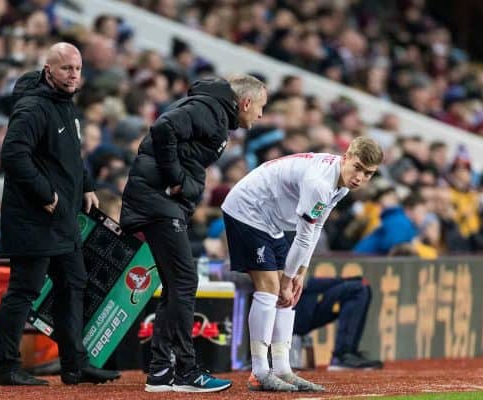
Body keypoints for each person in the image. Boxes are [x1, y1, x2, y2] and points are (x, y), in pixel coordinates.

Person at [120, 74, 267, 393]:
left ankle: (161, 371)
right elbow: (162, 128)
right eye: (259, 107)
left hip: (158, 202)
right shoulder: (210, 108)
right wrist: (175, 179)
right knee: (184, 282)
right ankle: (185, 371)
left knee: (177, 285)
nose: (260, 115)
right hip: (155, 202)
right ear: (244, 102)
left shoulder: (213, 110)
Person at [0, 42, 121, 386]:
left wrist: (87, 185)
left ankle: (75, 364)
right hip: (34, 217)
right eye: (66, 68)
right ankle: (6, 367)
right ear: (49, 70)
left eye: (78, 69)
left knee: (73, 284)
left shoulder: (66, 105)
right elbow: (14, 155)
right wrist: (44, 193)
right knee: (24, 289)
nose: (74, 75)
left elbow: (72, 156)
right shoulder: (33, 107)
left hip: (61, 218)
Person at [221, 137, 384, 392]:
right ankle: (260, 372)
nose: (360, 178)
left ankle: (283, 369)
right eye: (358, 167)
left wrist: (300, 273)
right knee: (270, 289)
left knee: (290, 295)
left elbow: (317, 226)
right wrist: (288, 279)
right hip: (248, 209)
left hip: (270, 219)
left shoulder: (340, 183)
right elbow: (304, 235)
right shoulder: (320, 183)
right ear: (347, 155)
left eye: (369, 174)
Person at [293, 277, 383, 370]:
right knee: (358, 288)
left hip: (303, 304)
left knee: (363, 287)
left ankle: (349, 353)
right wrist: (342, 281)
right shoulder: (278, 265)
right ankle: (341, 355)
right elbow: (301, 283)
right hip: (295, 313)